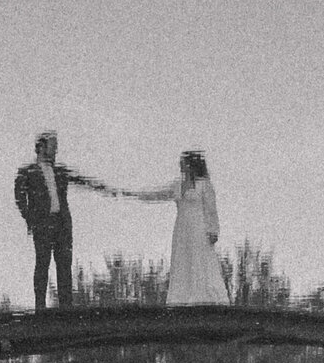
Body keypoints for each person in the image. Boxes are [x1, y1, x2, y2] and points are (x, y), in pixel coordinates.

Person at [15, 132, 115, 311]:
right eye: (52, 146)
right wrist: (31, 219)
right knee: (42, 264)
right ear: (41, 147)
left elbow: (82, 180)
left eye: (56, 147)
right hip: (43, 224)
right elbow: (20, 198)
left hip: (62, 224)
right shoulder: (27, 172)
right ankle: (40, 307)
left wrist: (104, 188)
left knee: (64, 266)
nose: (55, 150)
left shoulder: (60, 171)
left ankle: (66, 307)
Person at [120, 152, 229, 306]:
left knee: (199, 259)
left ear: (191, 164)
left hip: (199, 228)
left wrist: (213, 230)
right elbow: (157, 193)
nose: (180, 165)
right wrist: (135, 194)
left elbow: (211, 209)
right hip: (182, 228)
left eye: (183, 162)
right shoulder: (177, 185)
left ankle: (203, 297)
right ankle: (182, 298)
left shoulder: (204, 185)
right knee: (183, 258)